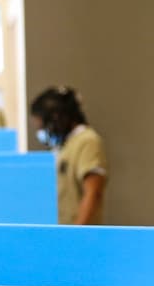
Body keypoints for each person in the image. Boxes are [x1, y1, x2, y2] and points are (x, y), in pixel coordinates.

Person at [29, 86, 107, 225]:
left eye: (44, 126)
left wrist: (76, 233)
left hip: (78, 234)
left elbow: (93, 193)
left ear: (57, 118)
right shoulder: (65, 144)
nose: (42, 132)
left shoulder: (87, 141)